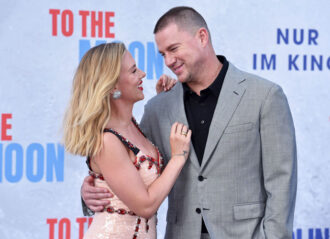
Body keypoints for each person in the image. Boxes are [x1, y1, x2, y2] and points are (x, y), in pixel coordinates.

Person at [82, 7, 297, 239]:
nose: (169, 61)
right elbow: (128, 164)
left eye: (174, 49)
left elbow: (282, 181)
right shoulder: (158, 108)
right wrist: (91, 191)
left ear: (202, 37)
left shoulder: (264, 96)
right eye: (163, 54)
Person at [63, 42, 191, 239]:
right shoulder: (108, 141)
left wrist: (162, 101)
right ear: (113, 84)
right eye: (133, 71)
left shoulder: (131, 126)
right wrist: (178, 157)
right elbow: (146, 205)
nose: (142, 74)